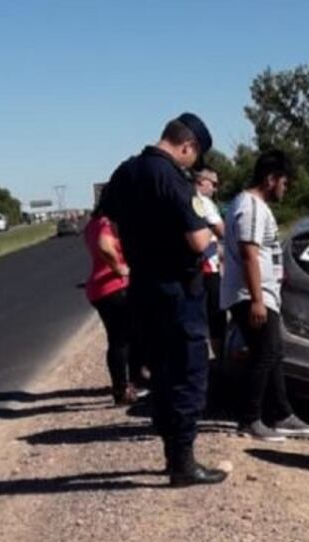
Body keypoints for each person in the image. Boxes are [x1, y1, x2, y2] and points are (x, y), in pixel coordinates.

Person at [98, 112, 226, 487]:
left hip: (142, 287)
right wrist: (216, 243)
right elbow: (199, 241)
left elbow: (108, 222)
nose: (192, 162)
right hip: (177, 290)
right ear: (187, 146)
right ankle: (183, 462)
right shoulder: (173, 178)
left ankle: (173, 456)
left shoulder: (126, 172)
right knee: (188, 371)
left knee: (162, 375)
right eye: (193, 155)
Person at [221, 149, 309, 441]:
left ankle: (283, 415)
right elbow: (249, 254)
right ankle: (250, 420)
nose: (285, 188)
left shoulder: (251, 205)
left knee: (273, 354)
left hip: (262, 295)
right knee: (264, 355)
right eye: (284, 182)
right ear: (271, 179)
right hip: (251, 296)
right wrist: (258, 299)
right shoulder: (251, 208)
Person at [82, 203, 142, 405]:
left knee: (120, 338)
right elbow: (104, 246)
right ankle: (125, 388)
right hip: (114, 286)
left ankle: (124, 386)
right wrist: (120, 268)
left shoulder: (93, 223)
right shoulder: (108, 223)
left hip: (99, 288)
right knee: (123, 339)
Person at [193, 168, 227, 354]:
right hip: (207, 266)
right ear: (201, 181)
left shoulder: (185, 198)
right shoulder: (203, 202)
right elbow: (221, 231)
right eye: (213, 184)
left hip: (194, 266)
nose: (215, 189)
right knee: (216, 315)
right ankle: (219, 358)